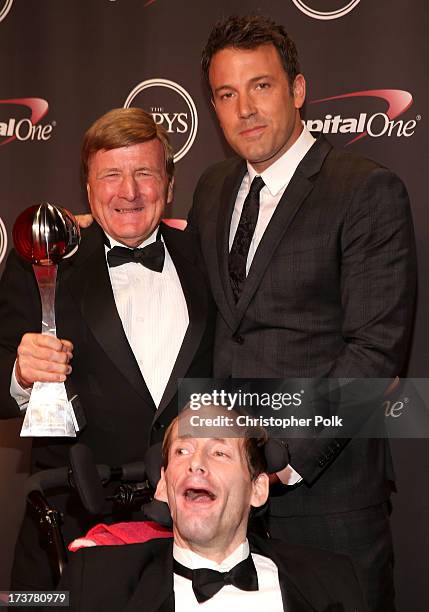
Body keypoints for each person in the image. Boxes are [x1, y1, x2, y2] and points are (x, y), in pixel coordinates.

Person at [187, 14, 417, 611]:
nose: (245, 110)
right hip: (230, 505)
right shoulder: (213, 188)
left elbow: (375, 352)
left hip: (326, 494)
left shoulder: (363, 190)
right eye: (226, 94)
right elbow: (213, 325)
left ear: (297, 89)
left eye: (261, 86)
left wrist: (283, 459)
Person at [0, 108, 214, 589]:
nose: (129, 192)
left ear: (169, 184)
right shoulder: (44, 262)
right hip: (71, 530)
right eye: (112, 175)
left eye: (145, 173)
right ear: (89, 187)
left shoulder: (207, 260)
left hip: (190, 531)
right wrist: (20, 374)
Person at [59, 410, 367, 611]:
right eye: (183, 450)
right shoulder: (95, 579)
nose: (196, 462)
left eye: (219, 452)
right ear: (164, 485)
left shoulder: (332, 580)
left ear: (257, 489)